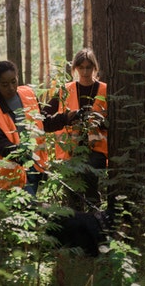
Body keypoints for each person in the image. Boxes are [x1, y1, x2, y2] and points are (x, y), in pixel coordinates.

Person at [0, 60, 79, 197]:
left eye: (13, 81)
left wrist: (66, 118)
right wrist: (18, 153)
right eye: (5, 84)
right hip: (13, 172)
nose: (10, 87)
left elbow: (43, 123)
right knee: (26, 210)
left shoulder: (28, 94)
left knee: (30, 212)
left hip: (35, 166)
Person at [43, 48, 108, 209]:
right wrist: (66, 118)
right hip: (69, 150)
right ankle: (75, 229)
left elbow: (114, 121)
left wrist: (99, 121)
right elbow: (44, 115)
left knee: (92, 191)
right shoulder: (65, 90)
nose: (85, 72)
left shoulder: (105, 90)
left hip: (97, 150)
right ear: (75, 69)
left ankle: (96, 226)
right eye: (81, 67)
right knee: (73, 197)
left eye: (89, 67)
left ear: (95, 68)